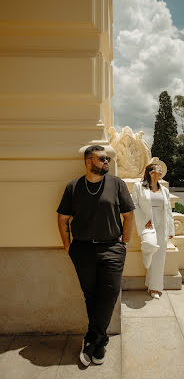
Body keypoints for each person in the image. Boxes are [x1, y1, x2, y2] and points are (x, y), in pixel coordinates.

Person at [57, 145, 134, 366]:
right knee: (90, 297)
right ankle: (99, 342)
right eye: (102, 159)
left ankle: (93, 341)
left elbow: (129, 216)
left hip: (112, 249)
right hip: (82, 250)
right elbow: (63, 219)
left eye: (107, 158)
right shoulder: (73, 187)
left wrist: (124, 244)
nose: (107, 162)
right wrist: (68, 247)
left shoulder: (117, 184)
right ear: (89, 162)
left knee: (108, 296)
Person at [132, 163, 175, 299]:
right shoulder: (139, 187)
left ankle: (154, 288)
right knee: (150, 247)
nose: (161, 172)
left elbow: (168, 211)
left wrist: (171, 230)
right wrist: (145, 220)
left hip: (162, 225)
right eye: (158, 170)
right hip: (147, 224)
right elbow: (134, 205)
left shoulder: (164, 190)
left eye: (161, 170)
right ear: (151, 173)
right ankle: (147, 260)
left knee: (160, 258)